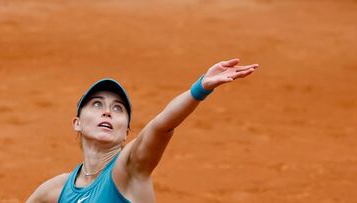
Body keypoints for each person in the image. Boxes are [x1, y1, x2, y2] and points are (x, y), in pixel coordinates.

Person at [27, 58, 259, 203]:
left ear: (126, 133)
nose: (107, 112)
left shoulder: (128, 168)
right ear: (77, 122)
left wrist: (199, 89)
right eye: (97, 104)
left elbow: (162, 126)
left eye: (118, 109)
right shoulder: (56, 189)